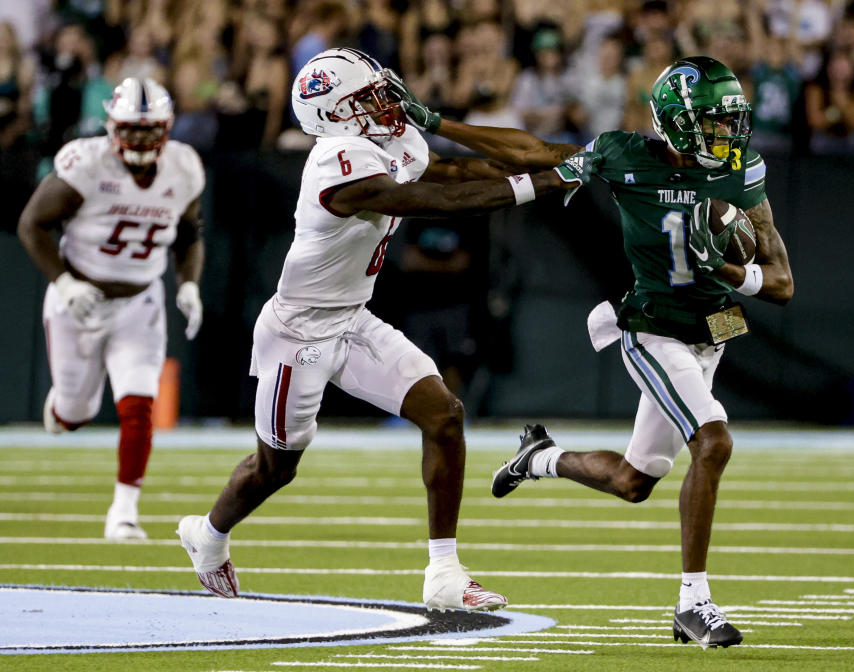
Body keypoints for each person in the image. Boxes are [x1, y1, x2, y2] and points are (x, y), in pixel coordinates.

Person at [390, 55, 794, 646]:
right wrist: (436, 121)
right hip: (652, 327)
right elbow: (533, 153)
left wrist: (727, 267)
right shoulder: (624, 156)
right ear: (679, 122)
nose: (729, 135)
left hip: (713, 332)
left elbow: (781, 281)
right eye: (714, 122)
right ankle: (694, 604)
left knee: (634, 480)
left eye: (732, 122)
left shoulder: (743, 172)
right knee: (713, 438)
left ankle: (539, 458)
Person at [175, 47, 598, 611]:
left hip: (352, 318)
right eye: (366, 98)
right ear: (335, 116)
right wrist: (541, 186)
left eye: (379, 90)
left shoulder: (390, 141)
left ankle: (444, 574)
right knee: (275, 468)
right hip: (298, 332)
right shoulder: (336, 161)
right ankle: (208, 536)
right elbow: (435, 200)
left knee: (444, 415)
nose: (384, 103)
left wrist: (573, 160)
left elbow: (466, 171)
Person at [17, 77, 206, 540]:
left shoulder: (183, 167)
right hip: (79, 299)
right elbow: (31, 224)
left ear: (167, 128)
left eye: (149, 129)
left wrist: (188, 285)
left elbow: (187, 234)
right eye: (131, 129)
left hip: (140, 301)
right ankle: (65, 408)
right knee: (75, 415)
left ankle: (123, 512)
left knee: (139, 403)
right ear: (111, 126)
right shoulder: (87, 163)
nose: (140, 139)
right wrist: (63, 281)